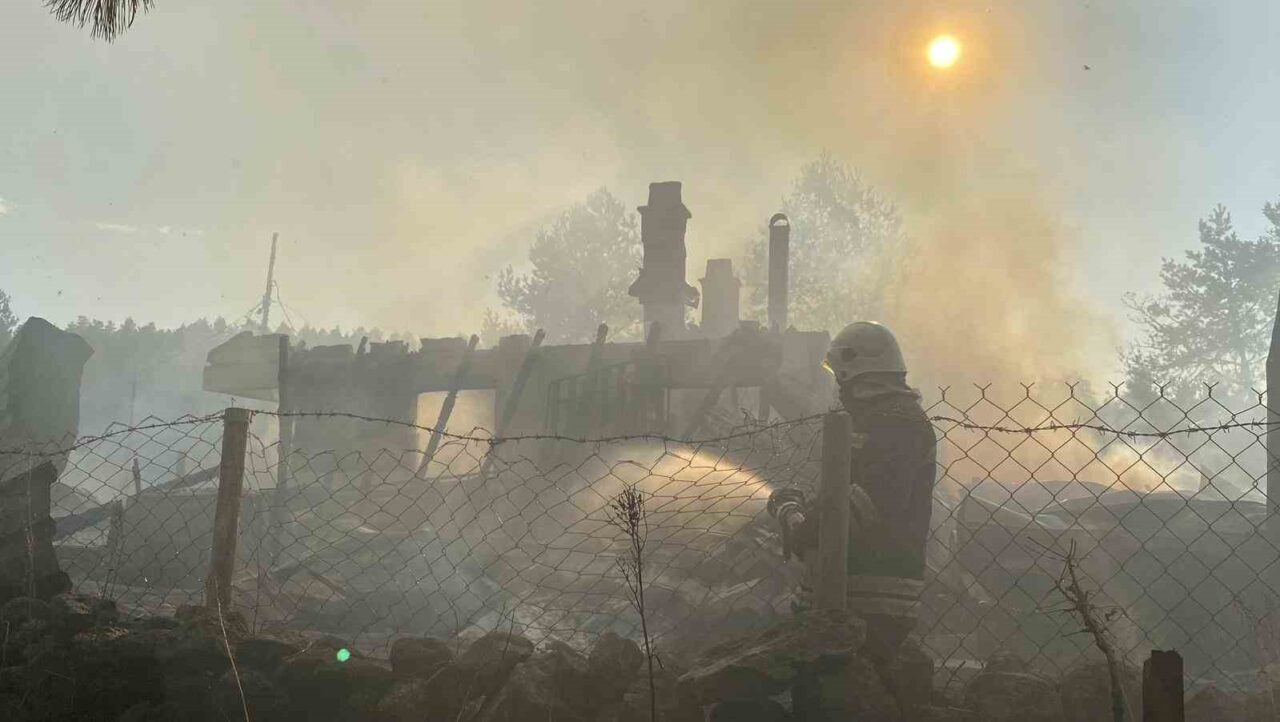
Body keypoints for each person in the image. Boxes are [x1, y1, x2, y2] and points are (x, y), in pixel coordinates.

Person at [767, 321, 936, 666]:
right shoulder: (874, 420)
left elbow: (866, 503)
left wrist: (803, 526)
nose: (837, 387)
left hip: (872, 597)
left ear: (851, 370)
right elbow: (848, 493)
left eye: (838, 375)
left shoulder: (896, 423)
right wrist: (805, 512)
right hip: (854, 593)